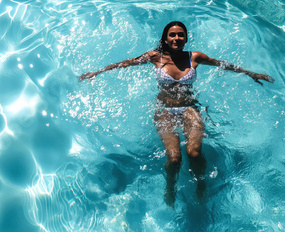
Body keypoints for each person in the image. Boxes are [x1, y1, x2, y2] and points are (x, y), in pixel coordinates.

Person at [78, 21, 274, 207]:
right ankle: (170, 186)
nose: (177, 38)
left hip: (190, 108)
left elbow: (221, 64)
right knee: (174, 158)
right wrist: (97, 72)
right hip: (164, 111)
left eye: (181, 35)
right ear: (165, 39)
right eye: (172, 35)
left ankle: (201, 184)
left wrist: (251, 73)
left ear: (186, 38)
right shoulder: (155, 57)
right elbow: (127, 63)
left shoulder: (195, 57)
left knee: (194, 153)